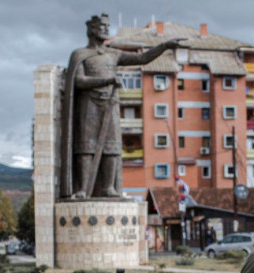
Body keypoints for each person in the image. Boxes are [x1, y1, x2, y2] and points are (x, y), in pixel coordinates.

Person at [60, 14, 185, 199]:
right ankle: (82, 189)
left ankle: (108, 188)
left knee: (112, 147)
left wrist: (164, 46)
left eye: (107, 26)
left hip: (110, 105)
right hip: (88, 106)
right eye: (101, 26)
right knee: (85, 148)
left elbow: (142, 58)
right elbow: (78, 81)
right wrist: (107, 80)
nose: (105, 29)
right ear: (91, 30)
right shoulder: (80, 55)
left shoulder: (113, 54)